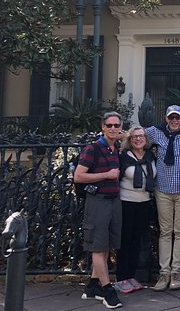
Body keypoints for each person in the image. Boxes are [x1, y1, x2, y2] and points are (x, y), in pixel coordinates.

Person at [146, 105, 180, 291]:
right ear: (166, 118)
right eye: (171, 118)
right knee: (165, 231)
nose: (174, 121)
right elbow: (136, 135)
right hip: (162, 190)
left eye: (177, 117)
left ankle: (176, 272)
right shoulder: (157, 132)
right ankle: (164, 273)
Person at [75, 111, 124, 309]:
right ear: (102, 127)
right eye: (109, 125)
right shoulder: (92, 148)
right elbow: (78, 176)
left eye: (116, 125)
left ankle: (93, 285)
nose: (113, 128)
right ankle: (107, 290)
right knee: (98, 245)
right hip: (98, 201)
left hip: (114, 201)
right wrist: (107, 174)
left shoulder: (115, 147)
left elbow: (125, 135)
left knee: (107, 245)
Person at [114, 126, 156, 295]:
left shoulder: (150, 156)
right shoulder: (124, 157)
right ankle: (121, 277)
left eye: (141, 136)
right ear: (129, 140)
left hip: (144, 202)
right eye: (134, 137)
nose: (138, 139)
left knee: (137, 240)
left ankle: (131, 276)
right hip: (126, 202)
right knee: (125, 240)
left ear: (146, 139)